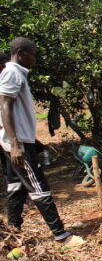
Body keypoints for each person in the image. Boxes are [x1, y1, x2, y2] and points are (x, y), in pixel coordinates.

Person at [0, 37, 84, 247]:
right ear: (20, 52)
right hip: (17, 143)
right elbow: (4, 107)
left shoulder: (17, 73)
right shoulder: (12, 73)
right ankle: (60, 235)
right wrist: (16, 144)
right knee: (39, 187)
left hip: (18, 141)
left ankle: (13, 231)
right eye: (32, 53)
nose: (34, 58)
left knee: (16, 187)